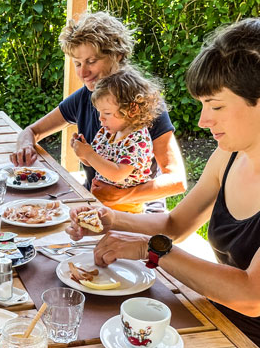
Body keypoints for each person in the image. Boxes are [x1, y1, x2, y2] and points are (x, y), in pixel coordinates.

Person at [67, 17, 260, 345]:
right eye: (202, 105)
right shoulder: (228, 157)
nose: (202, 120)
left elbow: (251, 296)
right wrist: (112, 219)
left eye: (216, 106)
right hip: (216, 317)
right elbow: (175, 223)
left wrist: (151, 250)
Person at [11, 11, 186, 211]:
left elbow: (177, 181)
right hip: (94, 203)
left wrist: (121, 195)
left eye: (91, 61)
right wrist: (25, 145)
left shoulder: (141, 102)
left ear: (117, 56)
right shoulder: (85, 96)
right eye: (78, 63)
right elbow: (31, 131)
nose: (83, 73)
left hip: (141, 210)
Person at [70, 67, 162, 213]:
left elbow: (117, 173)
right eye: (99, 112)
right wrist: (82, 151)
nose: (101, 118)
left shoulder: (138, 140)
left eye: (107, 113)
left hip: (126, 209)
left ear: (132, 110)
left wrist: (89, 154)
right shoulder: (108, 132)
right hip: (102, 203)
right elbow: (95, 163)